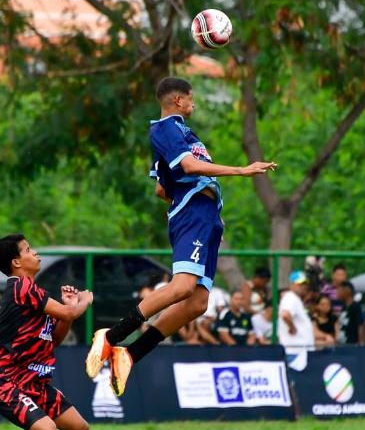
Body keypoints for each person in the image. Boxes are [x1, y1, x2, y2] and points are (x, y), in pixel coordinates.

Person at [85, 77, 277, 396]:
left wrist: (199, 205)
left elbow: (162, 187)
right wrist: (242, 171)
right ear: (177, 100)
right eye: (191, 98)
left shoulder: (182, 133)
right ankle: (110, 336)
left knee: (197, 303)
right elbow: (189, 166)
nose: (194, 103)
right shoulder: (165, 128)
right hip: (194, 215)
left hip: (206, 218)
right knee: (183, 286)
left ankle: (130, 354)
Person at [0, 234, 94, 430]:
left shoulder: (31, 292)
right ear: (17, 262)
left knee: (79, 429)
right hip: (5, 381)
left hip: (34, 382)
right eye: (29, 250)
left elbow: (54, 338)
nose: (36, 253)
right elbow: (70, 314)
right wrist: (82, 302)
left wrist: (66, 308)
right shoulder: (20, 286)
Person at [277, 271, 315, 349]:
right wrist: (292, 328)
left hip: (298, 350)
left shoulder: (295, 298)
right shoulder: (290, 297)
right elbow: (286, 315)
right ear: (291, 284)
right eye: (300, 284)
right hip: (294, 350)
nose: (303, 286)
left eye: (304, 283)